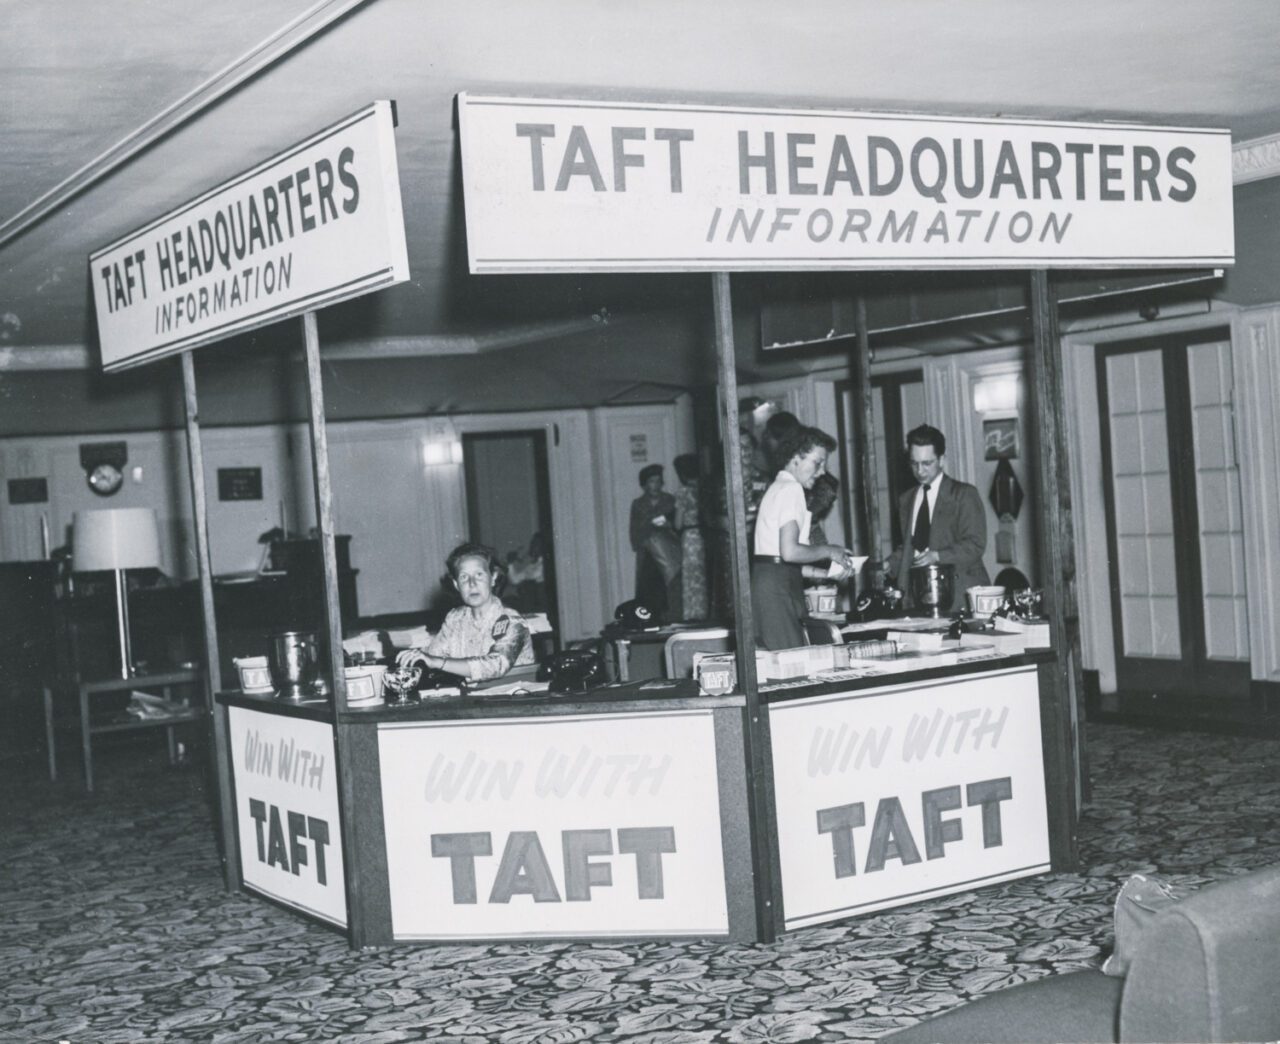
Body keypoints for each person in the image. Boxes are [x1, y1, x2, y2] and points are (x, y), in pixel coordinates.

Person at [751, 426, 857, 649]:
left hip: (770, 581)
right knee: (791, 659)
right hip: (778, 588)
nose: (821, 472)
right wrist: (830, 550)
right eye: (817, 463)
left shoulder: (777, 487)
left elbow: (782, 560)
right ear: (795, 458)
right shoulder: (792, 489)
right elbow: (790, 552)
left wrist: (826, 574)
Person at [885, 424, 990, 607]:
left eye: (927, 463)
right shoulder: (906, 500)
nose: (920, 471)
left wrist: (938, 556)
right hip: (920, 594)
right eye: (914, 463)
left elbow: (975, 544)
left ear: (942, 460)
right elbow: (912, 546)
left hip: (960, 594)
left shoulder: (964, 495)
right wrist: (889, 564)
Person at [396, 542, 534, 681]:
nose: (472, 583)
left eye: (479, 575)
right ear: (456, 585)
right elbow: (434, 654)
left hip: (514, 692)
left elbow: (496, 665)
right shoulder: (455, 618)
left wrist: (436, 662)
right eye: (464, 577)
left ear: (493, 578)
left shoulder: (511, 620)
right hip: (470, 693)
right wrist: (415, 657)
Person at [628, 463, 679, 619]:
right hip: (647, 554)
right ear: (644, 484)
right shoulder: (638, 504)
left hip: (668, 553)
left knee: (670, 587)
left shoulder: (670, 500)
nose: (655, 485)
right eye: (651, 481)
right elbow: (634, 530)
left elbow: (678, 526)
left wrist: (668, 525)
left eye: (658, 481)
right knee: (648, 589)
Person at [672, 453, 708, 621]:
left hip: (690, 537)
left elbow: (678, 524)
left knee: (691, 576)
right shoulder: (705, 489)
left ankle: (693, 614)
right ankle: (705, 613)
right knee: (704, 576)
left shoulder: (683, 492)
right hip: (705, 536)